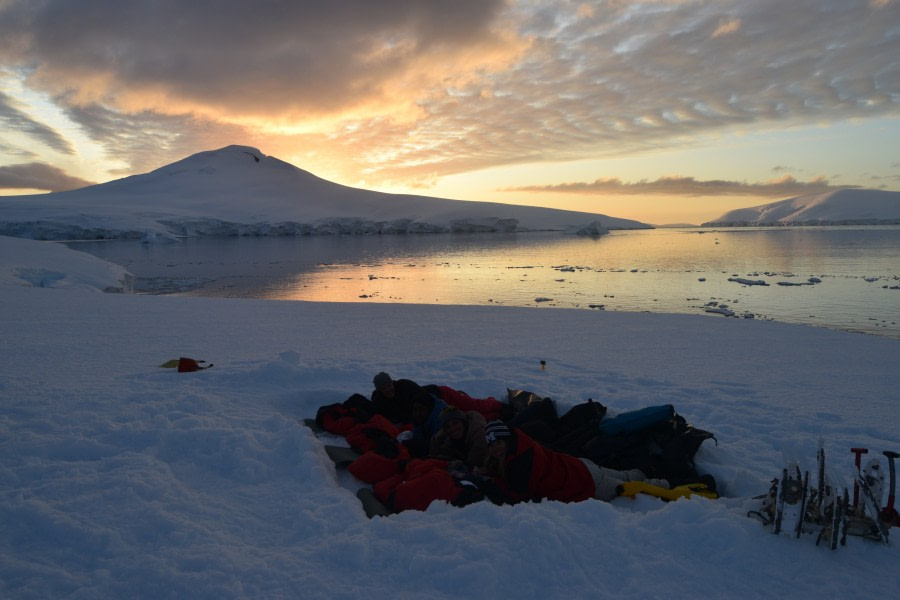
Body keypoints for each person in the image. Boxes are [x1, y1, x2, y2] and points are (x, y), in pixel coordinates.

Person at [480, 420, 669, 504]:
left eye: (498, 442)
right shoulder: (523, 445)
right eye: (491, 445)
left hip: (585, 481)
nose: (495, 449)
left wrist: (488, 483)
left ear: (508, 440)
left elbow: (517, 496)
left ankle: (669, 485)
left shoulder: (520, 461)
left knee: (634, 488)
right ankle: (652, 469)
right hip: (580, 466)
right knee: (626, 476)